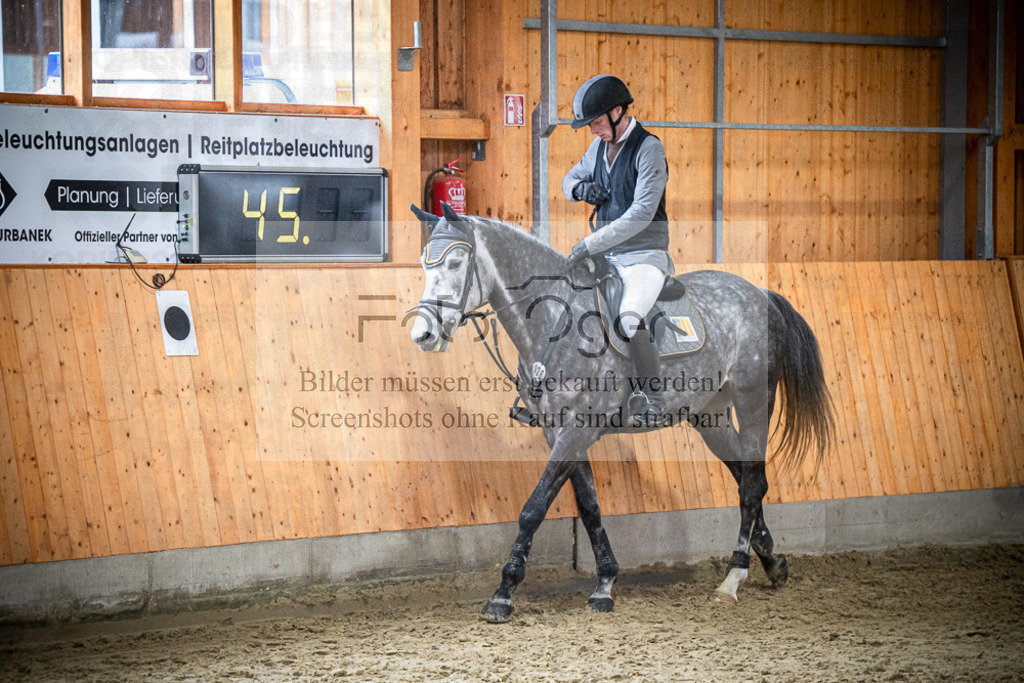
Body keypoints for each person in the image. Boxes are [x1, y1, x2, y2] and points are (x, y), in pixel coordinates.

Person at [562, 74, 673, 423]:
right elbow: (568, 180)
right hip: (606, 256)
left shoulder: (649, 149)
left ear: (617, 111)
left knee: (628, 317)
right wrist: (581, 191)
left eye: (596, 123)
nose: (593, 131)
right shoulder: (597, 148)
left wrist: (588, 243)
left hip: (644, 255)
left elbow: (641, 214)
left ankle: (655, 400)